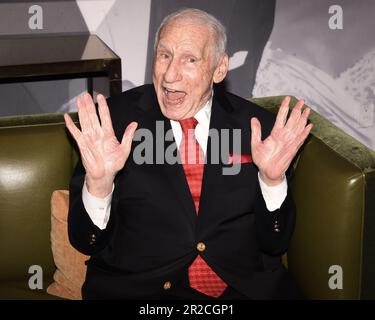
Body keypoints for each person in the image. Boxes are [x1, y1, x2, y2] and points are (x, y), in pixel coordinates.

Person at [64, 8, 312, 300]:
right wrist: (100, 185)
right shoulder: (111, 124)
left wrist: (271, 182)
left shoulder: (261, 130)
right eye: (164, 55)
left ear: (219, 69)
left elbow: (275, 243)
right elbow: (86, 241)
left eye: (190, 59)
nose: (170, 74)